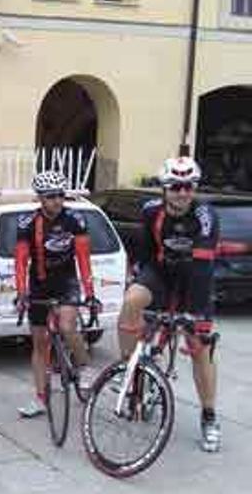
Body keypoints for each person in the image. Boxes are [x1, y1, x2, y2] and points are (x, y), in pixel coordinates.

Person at [117, 157, 221, 452]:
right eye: (175, 186)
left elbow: (202, 268)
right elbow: (147, 253)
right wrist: (137, 279)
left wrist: (196, 317)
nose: (182, 192)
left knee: (200, 348)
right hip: (162, 274)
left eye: (188, 186)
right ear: (165, 189)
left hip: (194, 281)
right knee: (131, 301)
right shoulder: (151, 212)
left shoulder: (205, 216)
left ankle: (209, 415)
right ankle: (128, 370)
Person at [14, 170, 100, 418]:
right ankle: (40, 398)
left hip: (66, 281)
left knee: (66, 325)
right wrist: (21, 293)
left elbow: (83, 259)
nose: (57, 201)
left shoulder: (75, 219)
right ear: (40, 198)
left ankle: (84, 366)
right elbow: (21, 262)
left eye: (60, 195)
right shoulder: (27, 224)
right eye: (51, 196)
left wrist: (90, 292)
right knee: (40, 344)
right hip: (39, 283)